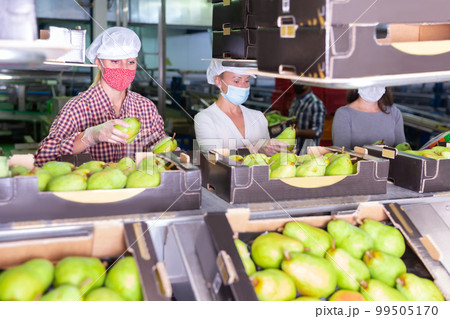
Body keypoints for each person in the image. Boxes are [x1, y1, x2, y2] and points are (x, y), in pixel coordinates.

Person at [34, 27, 165, 166]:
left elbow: (164, 153)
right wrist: (90, 136)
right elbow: (43, 158)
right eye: (115, 61)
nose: (124, 68)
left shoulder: (146, 108)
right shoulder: (77, 108)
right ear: (99, 62)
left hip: (137, 187)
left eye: (130, 62)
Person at [194, 61, 289, 156]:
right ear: (218, 82)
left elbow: (268, 159)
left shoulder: (258, 117)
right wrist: (254, 149)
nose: (243, 86)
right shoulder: (204, 118)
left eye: (247, 81)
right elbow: (213, 157)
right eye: (236, 81)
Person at [332, 86, 406, 149]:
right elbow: (343, 155)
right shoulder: (343, 114)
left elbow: (402, 149)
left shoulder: (394, 113)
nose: (373, 87)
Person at [288, 84, 326, 154]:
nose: (295, 84)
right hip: (293, 152)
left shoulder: (316, 103)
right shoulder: (295, 101)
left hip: (307, 154)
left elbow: (317, 132)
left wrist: (297, 132)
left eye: (299, 82)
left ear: (308, 84)